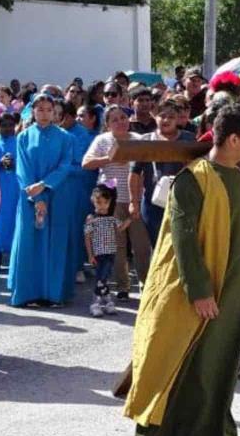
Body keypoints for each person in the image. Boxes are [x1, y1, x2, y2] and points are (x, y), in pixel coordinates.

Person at [119, 104, 240, 436]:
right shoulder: (192, 180)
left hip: (230, 296)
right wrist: (199, 291)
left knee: (215, 369)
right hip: (199, 298)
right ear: (233, 139)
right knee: (185, 369)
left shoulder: (236, 174)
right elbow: (183, 241)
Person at [8, 94, 74, 307]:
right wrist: (36, 196)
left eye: (49, 110)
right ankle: (28, 292)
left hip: (57, 196)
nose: (44, 114)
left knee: (54, 241)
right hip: (29, 198)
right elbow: (23, 170)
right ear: (33, 111)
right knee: (30, 241)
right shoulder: (23, 137)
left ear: (55, 112)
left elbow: (65, 166)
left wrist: (45, 185)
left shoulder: (65, 137)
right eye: (40, 109)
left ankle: (53, 293)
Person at [82, 105, 151, 300]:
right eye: (115, 119)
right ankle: (123, 286)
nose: (121, 122)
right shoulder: (102, 140)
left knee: (141, 245)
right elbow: (86, 163)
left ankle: (146, 284)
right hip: (110, 201)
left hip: (135, 198)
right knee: (117, 246)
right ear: (107, 124)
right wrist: (110, 158)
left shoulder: (139, 140)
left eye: (123, 117)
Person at [129, 100, 194, 247]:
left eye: (171, 117)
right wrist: (134, 202)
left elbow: (197, 169)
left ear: (178, 119)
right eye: (162, 116)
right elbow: (134, 173)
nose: (166, 120)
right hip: (153, 204)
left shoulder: (189, 138)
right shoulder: (145, 141)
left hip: (182, 201)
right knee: (158, 245)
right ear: (155, 117)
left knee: (180, 245)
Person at [61, 102, 97, 286]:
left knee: (77, 227)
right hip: (62, 188)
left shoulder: (81, 135)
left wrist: (60, 170)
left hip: (79, 188)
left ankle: (76, 266)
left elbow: (82, 164)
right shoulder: (58, 132)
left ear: (68, 116)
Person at [85, 184, 131, 317]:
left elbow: (121, 228)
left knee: (105, 276)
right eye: (99, 202)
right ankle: (96, 302)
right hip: (99, 254)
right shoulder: (91, 219)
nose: (102, 205)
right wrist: (90, 255)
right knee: (101, 277)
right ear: (93, 201)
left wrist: (130, 219)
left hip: (111, 252)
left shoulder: (112, 219)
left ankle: (106, 300)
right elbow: (87, 237)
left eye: (106, 202)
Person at [0, 114, 20, 285]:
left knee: (15, 229)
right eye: (4, 125)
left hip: (15, 192)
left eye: (11, 125)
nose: (8, 128)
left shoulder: (19, 142)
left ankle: (15, 269)